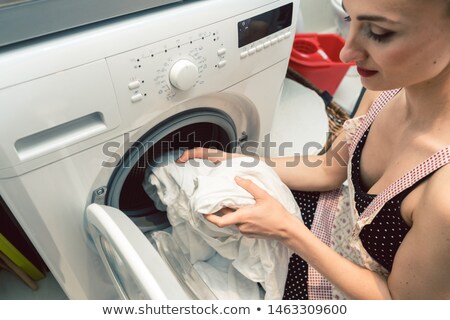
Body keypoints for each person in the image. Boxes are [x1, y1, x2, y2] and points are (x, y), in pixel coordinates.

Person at [177, 0, 450, 299]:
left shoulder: (442, 195)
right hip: (330, 229)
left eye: (378, 32)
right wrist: (242, 162)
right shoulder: (386, 89)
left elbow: (400, 307)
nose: (346, 52)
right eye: (350, 19)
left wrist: (287, 231)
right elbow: (328, 169)